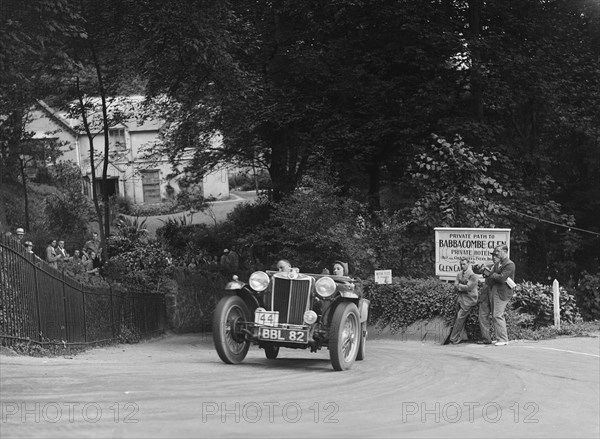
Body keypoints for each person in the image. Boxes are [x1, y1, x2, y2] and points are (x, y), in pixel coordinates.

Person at [486, 245, 516, 346]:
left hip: (503, 293)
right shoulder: (499, 263)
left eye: (498, 251)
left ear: (505, 251)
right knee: (495, 315)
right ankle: (499, 338)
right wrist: (490, 274)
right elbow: (495, 276)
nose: (496, 253)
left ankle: (503, 339)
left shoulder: (510, 264)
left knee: (498, 315)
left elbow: (501, 279)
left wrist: (491, 274)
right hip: (496, 290)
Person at [448, 258, 479, 345]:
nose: (462, 266)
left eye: (464, 264)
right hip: (460, 298)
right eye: (461, 264)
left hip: (470, 299)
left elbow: (468, 287)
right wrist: (461, 286)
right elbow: (455, 285)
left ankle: (453, 338)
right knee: (459, 318)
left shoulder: (473, 275)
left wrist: (459, 286)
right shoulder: (459, 274)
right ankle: (460, 337)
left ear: (468, 264)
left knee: (460, 318)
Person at [473, 253, 500, 344]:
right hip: (486, 290)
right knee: (483, 315)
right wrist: (476, 267)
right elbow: (478, 271)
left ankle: (499, 338)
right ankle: (486, 338)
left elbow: (500, 278)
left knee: (496, 315)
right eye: (493, 256)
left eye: (496, 256)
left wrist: (488, 272)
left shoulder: (504, 267)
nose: (494, 258)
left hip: (495, 291)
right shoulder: (490, 265)